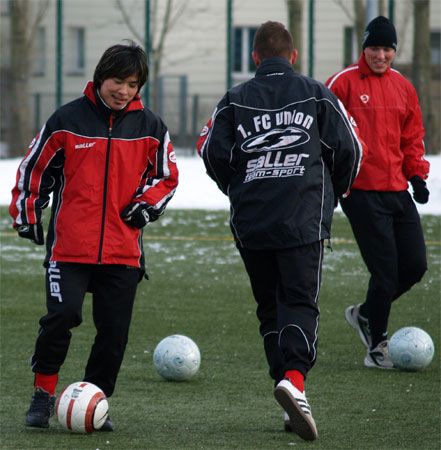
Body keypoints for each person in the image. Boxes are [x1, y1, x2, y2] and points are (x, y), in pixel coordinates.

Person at [197, 21, 363, 441]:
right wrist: (334, 193)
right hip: (303, 217)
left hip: (252, 221)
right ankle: (295, 381)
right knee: (299, 300)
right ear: (293, 56)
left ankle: (288, 395)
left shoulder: (234, 99)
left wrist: (240, 187)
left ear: (254, 58)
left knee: (270, 306)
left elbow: (211, 152)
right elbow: (349, 149)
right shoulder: (316, 93)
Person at [9, 41, 179, 430]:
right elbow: (34, 168)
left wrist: (147, 204)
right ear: (101, 77)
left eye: (133, 84)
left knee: (114, 333)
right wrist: (28, 212)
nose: (123, 91)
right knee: (61, 316)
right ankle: (42, 393)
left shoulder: (151, 127)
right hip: (70, 246)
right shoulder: (66, 119)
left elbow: (167, 178)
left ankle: (94, 401)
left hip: (123, 250)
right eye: (118, 81)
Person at [326, 16, 430, 369]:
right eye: (375, 47)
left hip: (397, 190)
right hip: (361, 192)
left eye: (387, 49)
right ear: (364, 48)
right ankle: (377, 346)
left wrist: (417, 176)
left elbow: (412, 138)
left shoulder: (404, 87)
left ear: (394, 51)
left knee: (415, 265)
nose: (381, 55)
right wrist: (334, 181)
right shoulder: (342, 85)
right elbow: (324, 135)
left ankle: (366, 314)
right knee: (385, 272)